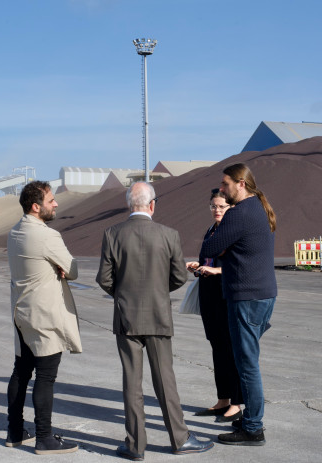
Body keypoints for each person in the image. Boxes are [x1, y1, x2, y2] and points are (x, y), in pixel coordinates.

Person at [96, 181, 214, 460]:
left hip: (126, 319)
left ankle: (136, 446)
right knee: (165, 380)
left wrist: (123, 295)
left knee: (132, 383)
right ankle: (180, 439)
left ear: (129, 204)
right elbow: (179, 276)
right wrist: (158, 293)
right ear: (152, 205)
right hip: (159, 317)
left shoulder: (112, 233)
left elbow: (104, 278)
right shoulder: (168, 234)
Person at [200, 163, 277, 446]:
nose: (222, 189)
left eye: (225, 184)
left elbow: (208, 248)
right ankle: (249, 419)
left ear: (240, 183)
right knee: (247, 361)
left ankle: (253, 427)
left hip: (246, 297)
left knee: (247, 364)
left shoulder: (239, 213)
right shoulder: (259, 206)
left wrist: (223, 246)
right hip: (262, 294)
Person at [5, 181, 81, 455]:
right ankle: (44, 438)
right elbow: (72, 270)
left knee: (21, 372)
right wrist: (59, 268)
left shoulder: (14, 232)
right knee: (46, 376)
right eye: (51, 200)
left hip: (21, 313)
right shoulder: (48, 236)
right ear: (36, 206)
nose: (56, 204)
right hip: (44, 316)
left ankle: (14, 431)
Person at [185, 189, 243, 423]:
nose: (217, 210)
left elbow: (242, 265)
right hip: (209, 295)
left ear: (231, 208)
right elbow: (210, 259)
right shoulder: (211, 230)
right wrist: (199, 266)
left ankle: (238, 402)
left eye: (222, 206)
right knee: (217, 348)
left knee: (233, 349)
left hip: (227, 295)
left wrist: (217, 270)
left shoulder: (235, 231)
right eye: (213, 206)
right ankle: (223, 399)